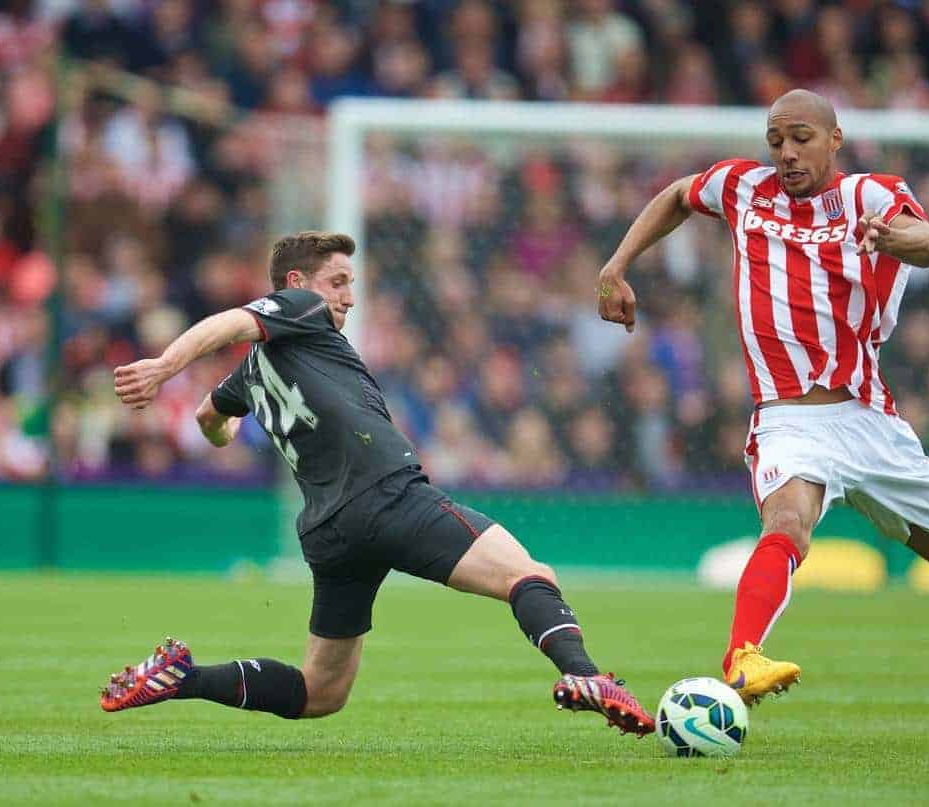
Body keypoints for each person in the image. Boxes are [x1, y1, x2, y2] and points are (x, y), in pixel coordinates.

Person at [594, 90, 929, 750]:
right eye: (775, 140)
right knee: (787, 522)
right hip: (788, 418)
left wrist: (892, 237)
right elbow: (679, 194)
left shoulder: (872, 196)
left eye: (800, 137)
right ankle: (742, 655)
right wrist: (617, 264)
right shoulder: (743, 187)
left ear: (835, 139)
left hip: (871, 422)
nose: (786, 152)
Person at [103, 231, 654, 736]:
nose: (347, 296)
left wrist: (223, 427)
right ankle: (584, 675)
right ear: (297, 285)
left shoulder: (250, 373)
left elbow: (208, 418)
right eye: (337, 282)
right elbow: (229, 323)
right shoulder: (304, 307)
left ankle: (184, 677)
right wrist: (162, 366)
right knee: (529, 574)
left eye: (349, 284)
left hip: (329, 530)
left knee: (320, 693)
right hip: (386, 494)